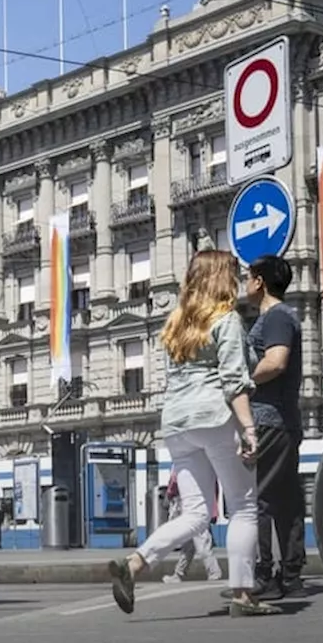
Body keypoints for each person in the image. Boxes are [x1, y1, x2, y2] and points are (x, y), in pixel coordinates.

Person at [106, 250, 279, 617]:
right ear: (221, 279)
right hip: (214, 417)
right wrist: (249, 428)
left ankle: (135, 564)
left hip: (176, 425)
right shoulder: (226, 319)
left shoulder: (175, 323)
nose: (236, 281)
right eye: (232, 275)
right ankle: (243, 595)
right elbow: (234, 381)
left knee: (196, 514)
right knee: (243, 506)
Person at [242, 255, 306, 600]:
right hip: (282, 420)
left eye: (248, 277)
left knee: (263, 499)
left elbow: (276, 361)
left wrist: (240, 382)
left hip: (270, 419)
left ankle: (265, 575)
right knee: (286, 499)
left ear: (260, 282)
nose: (245, 283)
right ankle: (292, 575)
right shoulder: (279, 317)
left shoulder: (277, 317)